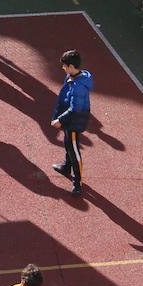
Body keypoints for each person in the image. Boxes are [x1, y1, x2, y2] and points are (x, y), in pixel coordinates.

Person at [50, 49, 93, 196]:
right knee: (69, 143)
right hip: (71, 120)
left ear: (70, 66)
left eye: (64, 66)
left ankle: (78, 182)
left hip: (74, 121)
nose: (62, 68)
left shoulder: (77, 86)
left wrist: (60, 119)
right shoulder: (73, 77)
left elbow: (75, 108)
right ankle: (67, 167)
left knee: (74, 149)